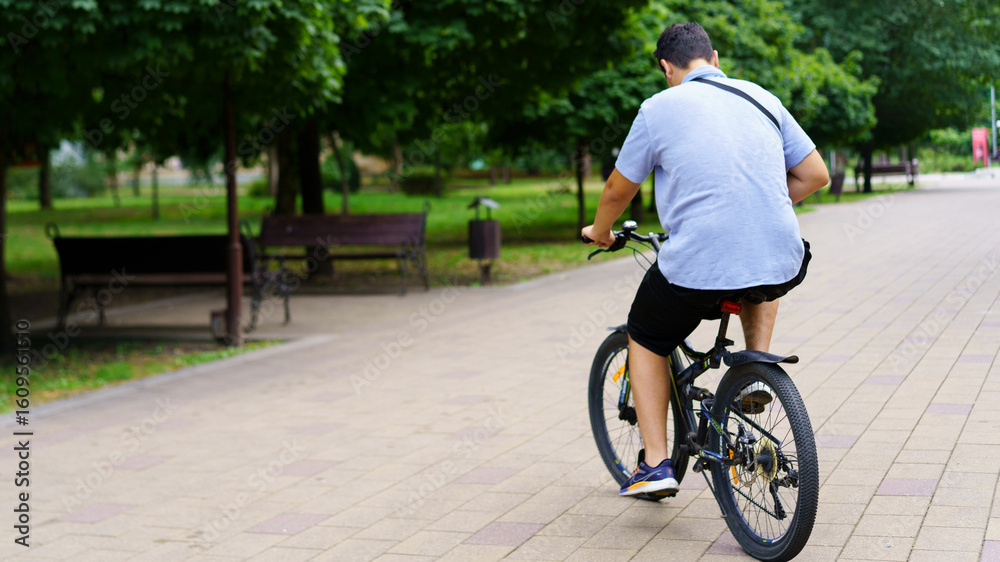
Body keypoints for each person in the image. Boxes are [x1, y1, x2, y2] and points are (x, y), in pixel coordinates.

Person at [581, 22, 830, 497]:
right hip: (781, 252)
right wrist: (760, 205)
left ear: (666, 68)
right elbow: (815, 174)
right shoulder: (762, 97)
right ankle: (753, 368)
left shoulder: (658, 108)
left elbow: (617, 188)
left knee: (646, 333)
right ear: (714, 59)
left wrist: (600, 231)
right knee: (763, 271)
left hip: (699, 263)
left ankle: (655, 465)